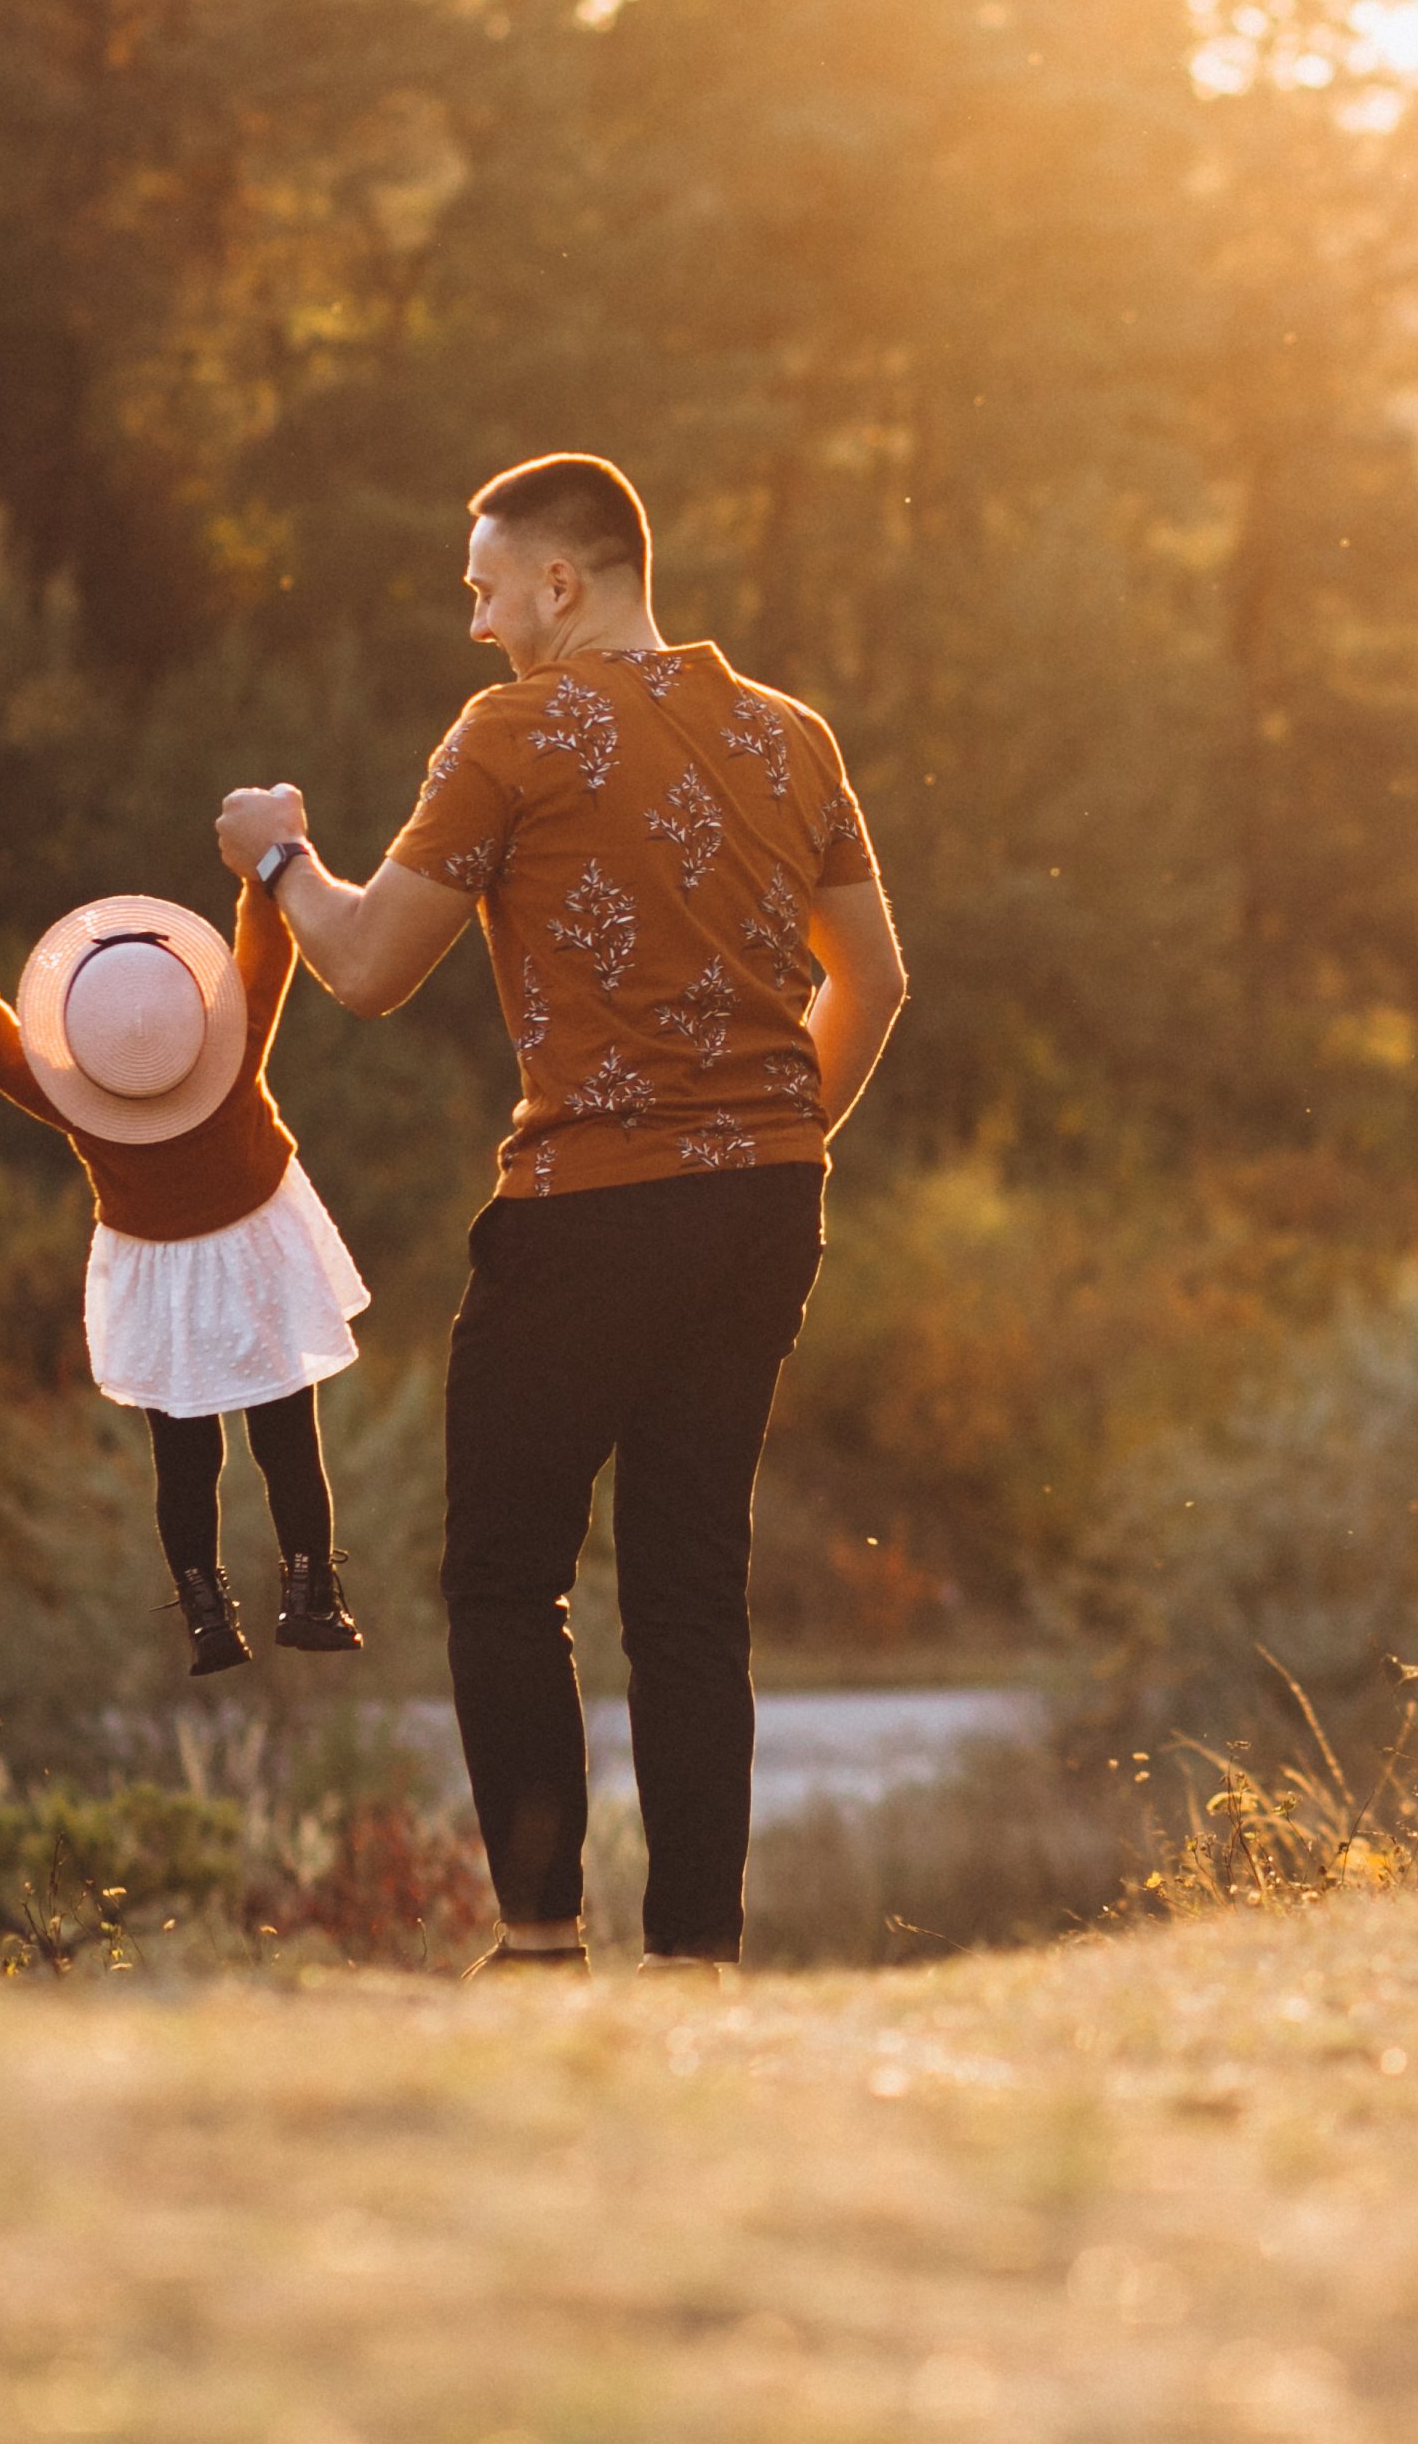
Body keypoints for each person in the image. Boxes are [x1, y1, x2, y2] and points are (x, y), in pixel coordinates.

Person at [214, 453, 908, 1975]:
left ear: (560, 582)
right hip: (765, 1206)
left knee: (502, 1574)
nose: (474, 624)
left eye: (482, 588)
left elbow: (369, 964)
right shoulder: (792, 734)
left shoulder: (513, 730)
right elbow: (880, 976)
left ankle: (538, 1939)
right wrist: (769, 1139)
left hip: (588, 1207)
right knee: (687, 1584)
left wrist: (276, 852)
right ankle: (695, 1957)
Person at [0, 883, 371, 1672]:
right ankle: (310, 1596)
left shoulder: (81, 1098)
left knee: (183, 1458)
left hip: (157, 1272)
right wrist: (259, 881)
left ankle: (207, 1615)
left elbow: (6, 1058)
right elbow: (266, 962)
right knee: (286, 1438)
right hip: (255, 1251)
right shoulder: (233, 1047)